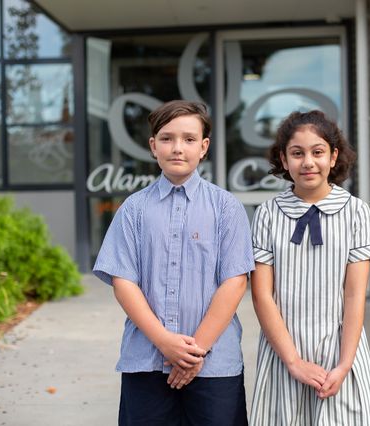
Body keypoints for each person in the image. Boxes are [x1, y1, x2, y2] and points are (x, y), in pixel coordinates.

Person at [93, 100, 254, 426]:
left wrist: (196, 353)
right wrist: (165, 342)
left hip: (215, 363)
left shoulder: (226, 207)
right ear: (153, 146)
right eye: (167, 138)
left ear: (204, 147)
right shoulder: (133, 209)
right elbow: (123, 282)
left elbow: (235, 281)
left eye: (189, 139)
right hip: (147, 360)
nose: (177, 148)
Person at [249, 110, 370, 425]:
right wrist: (293, 361)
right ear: (284, 160)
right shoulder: (267, 214)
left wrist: (344, 365)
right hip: (284, 352)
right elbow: (262, 295)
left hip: (340, 352)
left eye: (318, 152)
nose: (308, 162)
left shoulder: (356, 212)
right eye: (297, 153)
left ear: (333, 157)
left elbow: (354, 295)